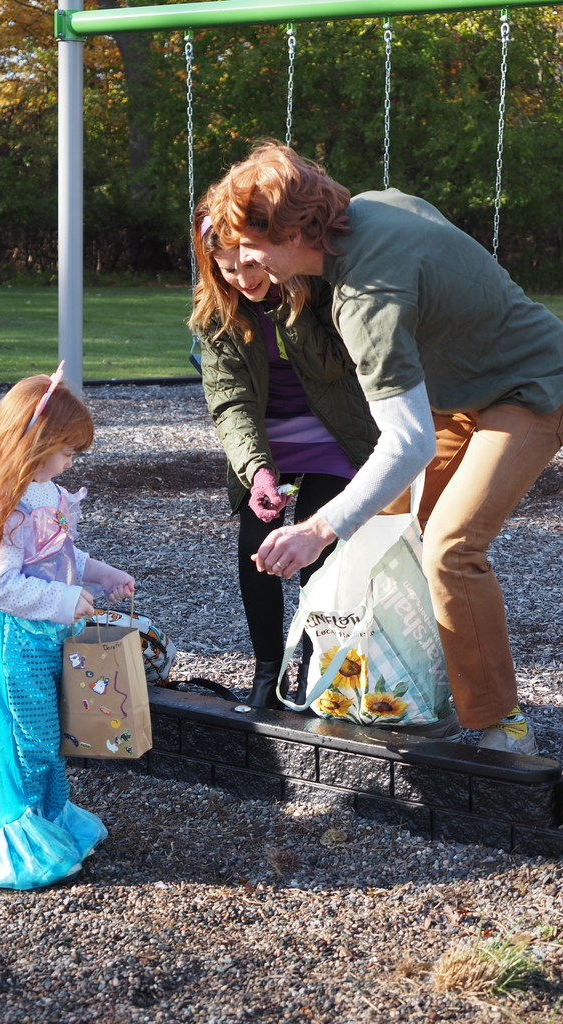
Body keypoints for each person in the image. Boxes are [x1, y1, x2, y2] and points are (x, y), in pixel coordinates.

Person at [207, 142, 563, 755]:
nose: (244, 261)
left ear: (292, 231)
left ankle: (500, 722)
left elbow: (406, 443)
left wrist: (317, 529)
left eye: (251, 245)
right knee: (381, 531)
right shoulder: (372, 207)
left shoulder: (365, 300)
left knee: (450, 547)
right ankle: (392, 683)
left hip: (531, 386)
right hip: (457, 391)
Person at [0, 366, 135, 889]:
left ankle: (47, 817)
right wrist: (67, 600)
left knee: (48, 729)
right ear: (33, 444)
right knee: (26, 735)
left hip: (44, 635)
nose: (71, 461)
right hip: (15, 640)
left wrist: (101, 574)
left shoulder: (46, 493)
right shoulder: (3, 509)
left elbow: (60, 554)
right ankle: (21, 833)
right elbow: (0, 587)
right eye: (66, 449)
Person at [190, 202, 381, 710]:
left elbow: (336, 362)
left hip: (333, 428)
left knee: (316, 549)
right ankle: (268, 671)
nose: (244, 278)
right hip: (268, 437)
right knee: (258, 542)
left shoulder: (316, 285)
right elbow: (230, 401)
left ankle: (316, 667)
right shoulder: (218, 312)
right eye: (229, 270)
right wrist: (257, 472)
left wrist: (284, 306)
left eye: (251, 264)